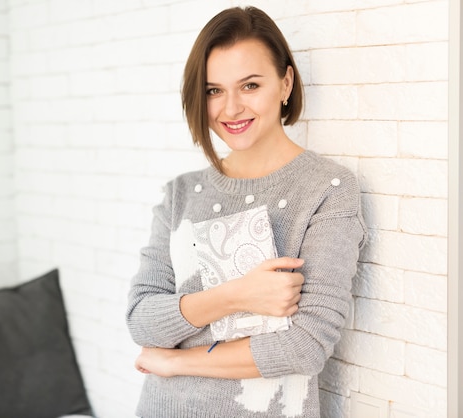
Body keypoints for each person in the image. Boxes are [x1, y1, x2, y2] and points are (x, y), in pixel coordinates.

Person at [126, 6, 366, 418]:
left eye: (250, 85)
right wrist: (237, 295)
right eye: (213, 90)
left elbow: (305, 346)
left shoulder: (327, 190)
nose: (231, 108)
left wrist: (176, 359)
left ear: (285, 82)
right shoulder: (180, 194)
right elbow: (142, 322)